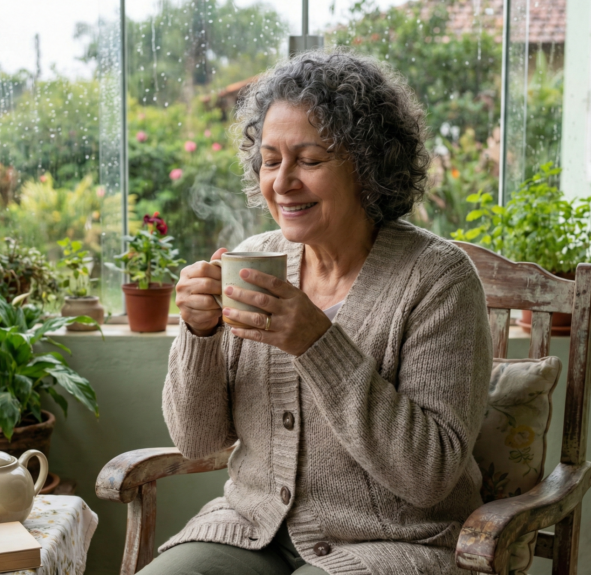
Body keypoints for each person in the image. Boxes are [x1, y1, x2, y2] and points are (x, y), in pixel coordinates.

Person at [140, 49, 493, 575]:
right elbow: (198, 441)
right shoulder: (255, 261)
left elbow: (430, 474)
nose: (282, 182)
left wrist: (316, 343)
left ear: (368, 168)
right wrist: (200, 333)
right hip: (252, 530)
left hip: (395, 543)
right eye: (270, 160)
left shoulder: (438, 279)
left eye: (309, 160)